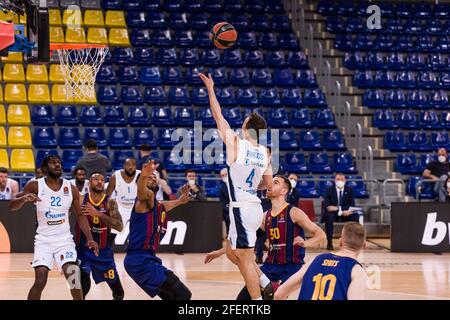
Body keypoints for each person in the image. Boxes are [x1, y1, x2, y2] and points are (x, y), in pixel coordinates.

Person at [200, 72, 273, 300]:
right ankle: (265, 282)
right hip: (255, 207)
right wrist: (251, 186)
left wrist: (211, 89)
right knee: (234, 253)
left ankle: (259, 301)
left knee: (244, 257)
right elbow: (268, 184)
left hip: (241, 208)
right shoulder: (264, 152)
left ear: (246, 127)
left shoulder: (236, 143)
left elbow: (216, 114)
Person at [8, 155, 98, 300]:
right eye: (52, 163)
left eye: (59, 163)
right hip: (44, 240)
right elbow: (12, 206)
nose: (57, 165)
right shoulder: (35, 185)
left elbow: (80, 216)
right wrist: (24, 199)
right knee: (40, 281)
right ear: (44, 168)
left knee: (73, 279)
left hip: (64, 240)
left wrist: (90, 238)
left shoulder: (71, 188)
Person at [124, 160, 192, 300]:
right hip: (139, 260)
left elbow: (165, 205)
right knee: (183, 294)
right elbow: (142, 192)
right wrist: (143, 175)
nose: (153, 178)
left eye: (155, 176)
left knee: (172, 297)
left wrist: (180, 201)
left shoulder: (157, 205)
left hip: (147, 259)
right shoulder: (143, 200)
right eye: (149, 177)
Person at [275, 222, 368, 300]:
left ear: (340, 242)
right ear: (364, 246)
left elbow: (279, 294)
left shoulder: (316, 259)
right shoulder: (357, 271)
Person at [76, 172, 125, 300]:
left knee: (119, 292)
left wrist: (98, 214)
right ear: (89, 183)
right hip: (83, 250)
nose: (99, 182)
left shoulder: (110, 202)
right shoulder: (81, 199)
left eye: (102, 180)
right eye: (96, 179)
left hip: (104, 253)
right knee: (82, 288)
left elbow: (119, 226)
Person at [106, 158, 140, 246]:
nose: (131, 167)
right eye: (128, 165)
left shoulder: (140, 175)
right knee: (113, 232)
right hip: (120, 207)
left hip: (136, 207)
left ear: (135, 166)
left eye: (133, 165)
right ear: (124, 166)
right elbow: (107, 194)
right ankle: (105, 251)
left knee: (140, 232)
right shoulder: (115, 176)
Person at [323, 173, 359, 251]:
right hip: (333, 214)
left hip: (346, 213)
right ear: (334, 180)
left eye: (342, 179)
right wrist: (341, 212)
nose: (340, 181)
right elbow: (328, 207)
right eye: (338, 179)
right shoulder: (329, 190)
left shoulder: (349, 190)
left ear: (345, 181)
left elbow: (351, 205)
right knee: (329, 217)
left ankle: (353, 243)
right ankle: (329, 242)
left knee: (355, 216)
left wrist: (337, 208)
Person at [218, 168, 230, 235]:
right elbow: (223, 203)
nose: (224, 176)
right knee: (230, 232)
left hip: (238, 209)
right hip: (227, 212)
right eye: (222, 175)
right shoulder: (221, 188)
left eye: (226, 174)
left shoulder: (236, 184)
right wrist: (230, 210)